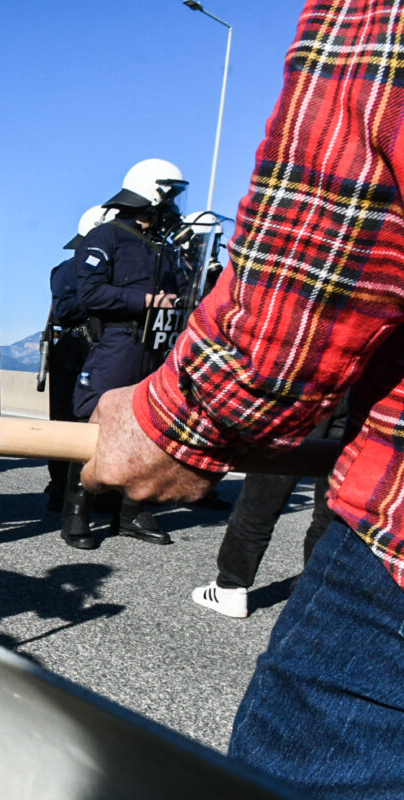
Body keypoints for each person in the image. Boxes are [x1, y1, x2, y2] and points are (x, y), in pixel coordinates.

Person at [82, 1, 404, 794]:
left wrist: (197, 415)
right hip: (162, 369)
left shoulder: (165, 243)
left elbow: (340, 213)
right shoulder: (106, 237)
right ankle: (102, 525)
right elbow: (78, 300)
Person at [60, 159, 188, 550]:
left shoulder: (169, 246)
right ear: (151, 192)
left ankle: (132, 511)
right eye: (170, 193)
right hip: (120, 343)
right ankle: (77, 512)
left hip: (157, 347)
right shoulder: (108, 237)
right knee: (95, 426)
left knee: (150, 428)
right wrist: (145, 300)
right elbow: (91, 294)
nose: (174, 203)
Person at [192, 398, 347, 618]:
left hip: (308, 388)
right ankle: (312, 591)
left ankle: (230, 586)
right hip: (359, 391)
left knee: (262, 496)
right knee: (330, 506)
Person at [42, 205, 113, 512]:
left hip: (104, 348)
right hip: (74, 348)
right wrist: (103, 298)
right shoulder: (67, 270)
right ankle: (60, 486)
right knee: (65, 420)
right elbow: (65, 310)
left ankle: (101, 486)